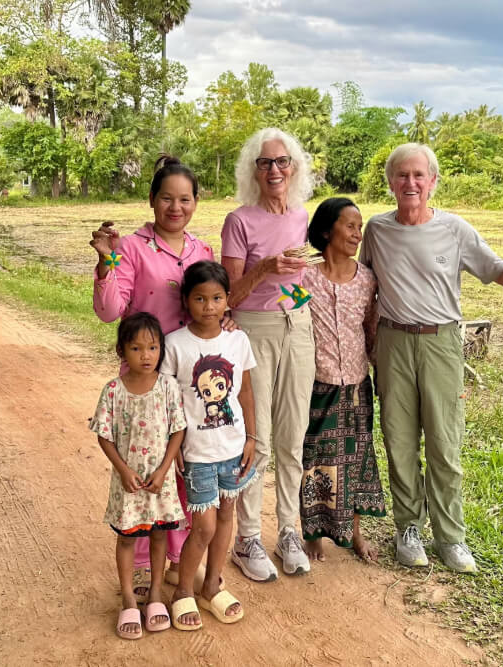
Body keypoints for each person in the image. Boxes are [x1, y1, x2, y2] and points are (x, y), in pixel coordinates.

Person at [359, 143, 503, 574]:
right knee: (399, 440)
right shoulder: (377, 230)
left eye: (419, 175)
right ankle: (408, 529)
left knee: (444, 442)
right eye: (402, 175)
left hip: (441, 341)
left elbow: (497, 271)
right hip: (393, 342)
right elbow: (365, 286)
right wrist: (369, 342)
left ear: (433, 181)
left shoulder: (455, 229)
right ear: (390, 182)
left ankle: (450, 536)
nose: (410, 183)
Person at [89, 155, 214, 603]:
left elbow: (210, 303)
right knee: (145, 471)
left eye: (185, 199)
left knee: (182, 466)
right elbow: (108, 310)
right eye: (167, 198)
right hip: (145, 380)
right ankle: (143, 569)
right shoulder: (133, 248)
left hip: (191, 378)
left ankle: (178, 561)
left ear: (196, 203)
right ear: (152, 201)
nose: (175, 207)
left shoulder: (203, 251)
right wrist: (106, 263)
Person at [220, 128, 316, 580]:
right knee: (254, 436)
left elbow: (309, 280)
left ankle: (290, 531)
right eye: (265, 163)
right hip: (254, 328)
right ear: (253, 171)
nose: (274, 170)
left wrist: (296, 303)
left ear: (293, 167)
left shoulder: (303, 216)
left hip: (297, 326)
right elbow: (230, 294)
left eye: (281, 162)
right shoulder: (240, 221)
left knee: (293, 433)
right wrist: (264, 268)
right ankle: (249, 537)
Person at [162, 261, 257, 630]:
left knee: (226, 518)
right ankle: (183, 590)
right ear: (186, 301)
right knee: (202, 527)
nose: (209, 306)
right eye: (200, 298)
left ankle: (212, 584)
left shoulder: (238, 340)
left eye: (217, 298)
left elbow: (245, 391)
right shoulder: (175, 344)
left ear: (227, 300)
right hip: (197, 454)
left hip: (233, 450)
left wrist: (251, 437)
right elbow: (169, 402)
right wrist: (174, 449)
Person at [90, 313, 187, 640]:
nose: (146, 355)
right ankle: (129, 598)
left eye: (153, 347)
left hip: (160, 482)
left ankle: (156, 594)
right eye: (136, 348)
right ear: (122, 351)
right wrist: (123, 469)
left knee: (160, 535)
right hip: (128, 483)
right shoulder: (114, 391)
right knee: (127, 537)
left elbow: (177, 431)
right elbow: (104, 434)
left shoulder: (169, 387)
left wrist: (163, 470)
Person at [299, 198, 386, 563]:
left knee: (356, 457)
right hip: (317, 383)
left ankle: (354, 532)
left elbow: (370, 329)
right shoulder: (304, 278)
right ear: (325, 231)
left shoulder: (367, 279)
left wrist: (377, 371)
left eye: (359, 226)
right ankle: (313, 533)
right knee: (315, 458)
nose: (356, 233)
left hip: (356, 384)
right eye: (349, 225)